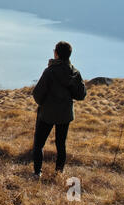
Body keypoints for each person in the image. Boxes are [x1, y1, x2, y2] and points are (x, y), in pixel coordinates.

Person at [32, 41, 86, 177]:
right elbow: (81, 95)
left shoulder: (50, 71)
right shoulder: (74, 73)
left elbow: (38, 93)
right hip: (65, 114)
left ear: (56, 53)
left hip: (47, 113)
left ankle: (37, 172)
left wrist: (43, 104)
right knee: (61, 144)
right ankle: (59, 172)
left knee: (39, 143)